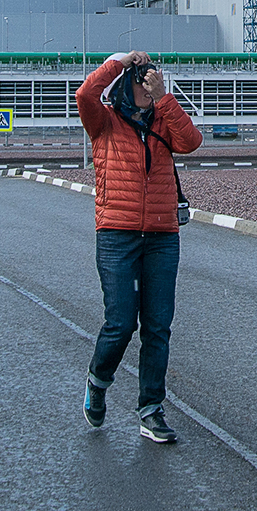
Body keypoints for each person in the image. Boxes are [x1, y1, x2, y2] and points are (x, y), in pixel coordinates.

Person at [77, 50, 202, 443]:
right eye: (141, 81)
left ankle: (151, 409)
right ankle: (98, 379)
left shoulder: (163, 120)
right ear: (125, 87)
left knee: (158, 327)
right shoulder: (104, 123)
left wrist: (164, 97)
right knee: (120, 322)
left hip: (162, 237)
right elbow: (85, 95)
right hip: (118, 234)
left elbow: (192, 141)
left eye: (151, 79)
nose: (147, 86)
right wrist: (118, 61)